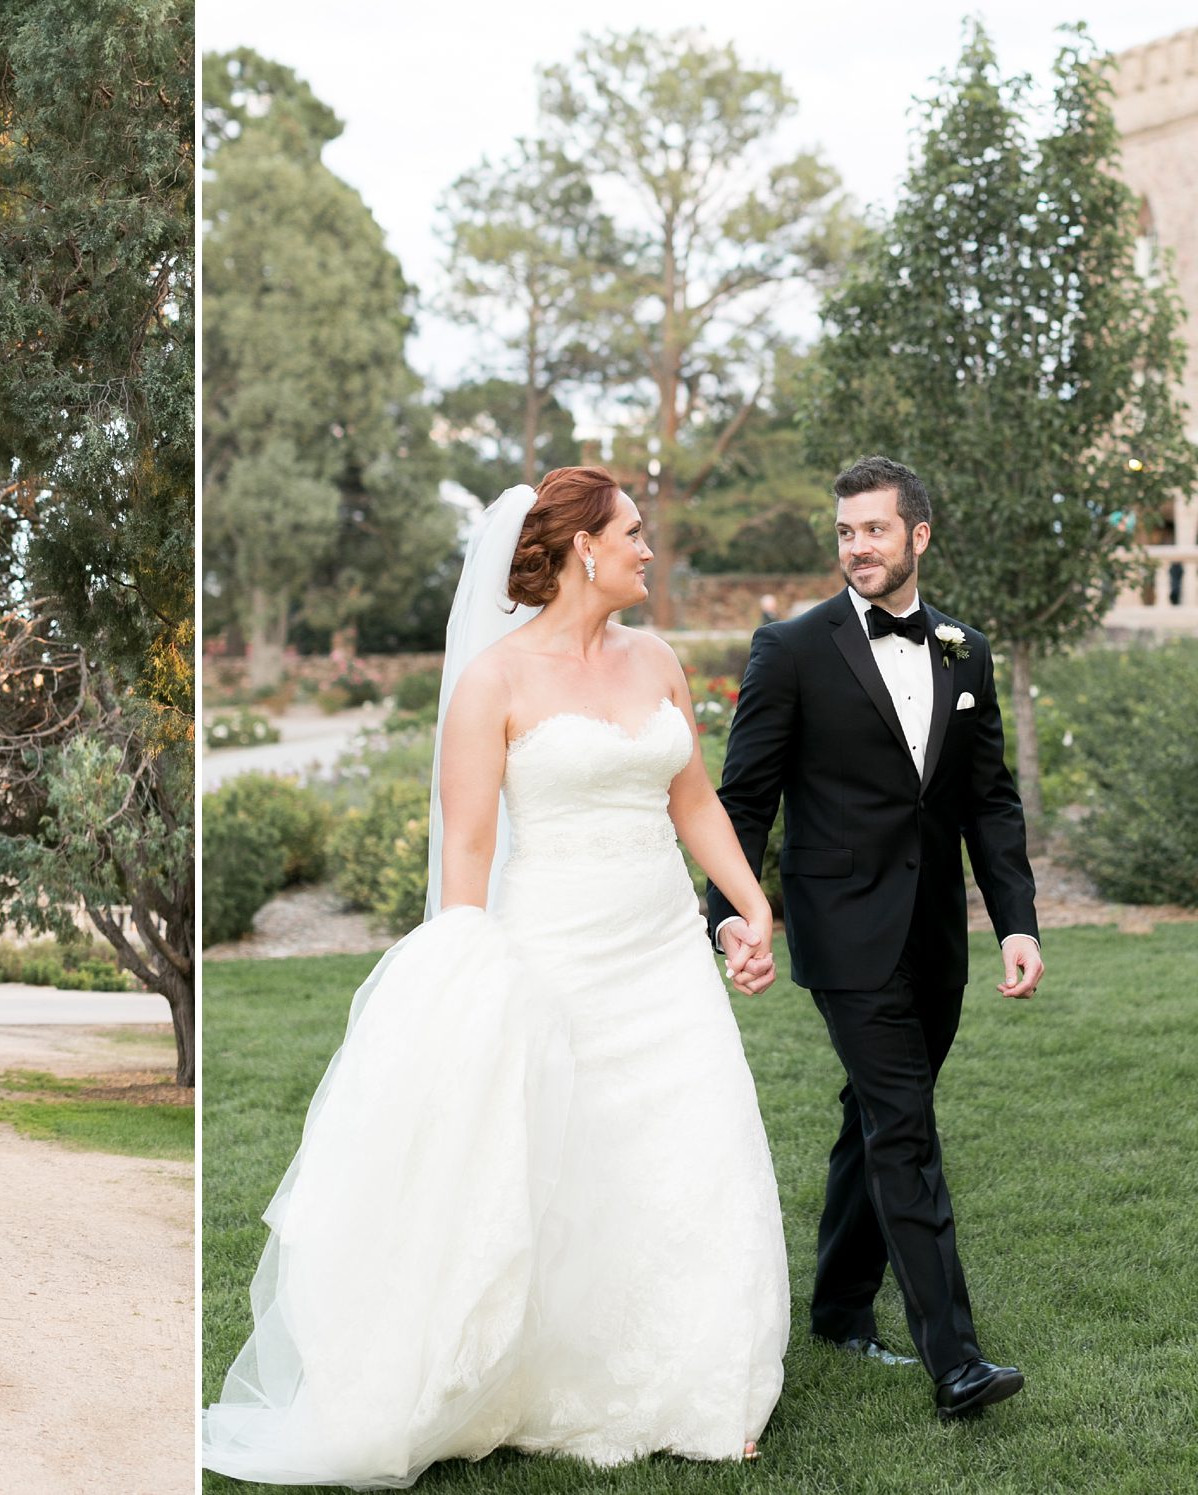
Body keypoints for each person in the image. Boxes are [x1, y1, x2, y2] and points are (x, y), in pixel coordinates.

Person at [202, 467, 788, 1484]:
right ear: (582, 550)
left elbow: (691, 798)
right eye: (633, 533)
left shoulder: (656, 660)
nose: (649, 550)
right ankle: (541, 1379)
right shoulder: (494, 682)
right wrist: (463, 982)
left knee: (695, 1149)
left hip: (662, 953)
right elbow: (467, 847)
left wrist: (750, 902)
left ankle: (699, 1386)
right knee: (564, 1167)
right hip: (553, 956)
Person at [708, 455, 1041, 1419]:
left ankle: (839, 1306)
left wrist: (1016, 921)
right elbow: (744, 797)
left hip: (935, 934)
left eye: (875, 530)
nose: (856, 546)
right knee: (904, 1126)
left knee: (878, 1112)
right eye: (845, 531)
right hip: (843, 929)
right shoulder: (790, 648)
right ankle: (957, 1361)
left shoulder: (965, 650)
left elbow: (989, 799)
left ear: (918, 536)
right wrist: (729, 911)